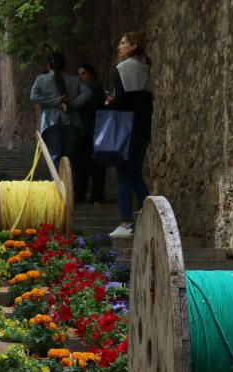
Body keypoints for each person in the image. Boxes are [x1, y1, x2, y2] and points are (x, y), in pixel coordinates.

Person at [106, 33, 154, 239]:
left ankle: (126, 223)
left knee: (123, 175)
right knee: (135, 174)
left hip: (125, 129)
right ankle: (152, 219)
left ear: (134, 46)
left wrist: (109, 102)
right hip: (143, 129)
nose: (119, 46)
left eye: (123, 43)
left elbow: (122, 101)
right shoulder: (146, 70)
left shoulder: (122, 69)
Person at [30, 51, 91, 166]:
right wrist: (73, 103)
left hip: (51, 122)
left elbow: (34, 96)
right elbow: (87, 93)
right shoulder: (74, 80)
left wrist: (53, 101)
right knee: (69, 157)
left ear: (49, 65)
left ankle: (57, 182)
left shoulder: (41, 79)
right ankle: (67, 181)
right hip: (72, 121)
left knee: (54, 154)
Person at [76, 64, 107, 204]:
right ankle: (96, 195)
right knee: (97, 164)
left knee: (83, 164)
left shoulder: (90, 89)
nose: (80, 77)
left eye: (83, 73)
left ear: (91, 74)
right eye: (79, 74)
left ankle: (81, 194)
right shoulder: (97, 89)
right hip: (97, 129)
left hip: (88, 130)